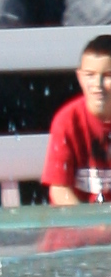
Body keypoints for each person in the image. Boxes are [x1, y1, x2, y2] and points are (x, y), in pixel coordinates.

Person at [44, 33, 111, 203]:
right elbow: (59, 189)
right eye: (90, 75)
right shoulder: (67, 121)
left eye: (108, 75)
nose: (97, 84)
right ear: (79, 77)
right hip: (77, 218)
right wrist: (87, 219)